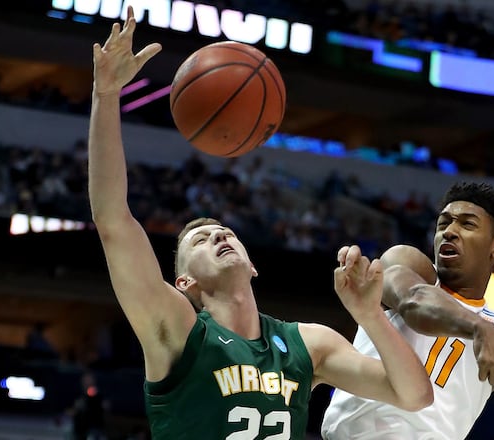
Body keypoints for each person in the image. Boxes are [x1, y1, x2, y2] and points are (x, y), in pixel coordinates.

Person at [88, 7, 432, 440]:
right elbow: (113, 221)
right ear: (183, 283)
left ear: (253, 267)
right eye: (199, 240)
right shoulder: (175, 329)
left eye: (225, 232)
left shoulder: (309, 344)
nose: (218, 234)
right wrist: (106, 95)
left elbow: (415, 396)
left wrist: (369, 316)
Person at [322, 181, 494, 439]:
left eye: (467, 224)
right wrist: (479, 328)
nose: (449, 231)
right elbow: (413, 303)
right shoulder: (409, 264)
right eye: (443, 223)